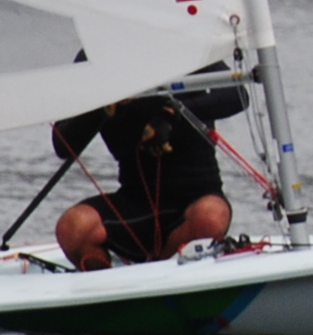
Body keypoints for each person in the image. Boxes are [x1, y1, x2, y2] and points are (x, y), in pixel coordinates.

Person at [51, 81, 251, 270]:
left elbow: (237, 95)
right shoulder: (98, 66)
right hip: (135, 202)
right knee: (73, 228)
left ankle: (163, 274)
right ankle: (113, 287)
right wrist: (100, 108)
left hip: (194, 199)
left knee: (210, 217)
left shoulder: (183, 56)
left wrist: (172, 114)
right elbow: (62, 145)